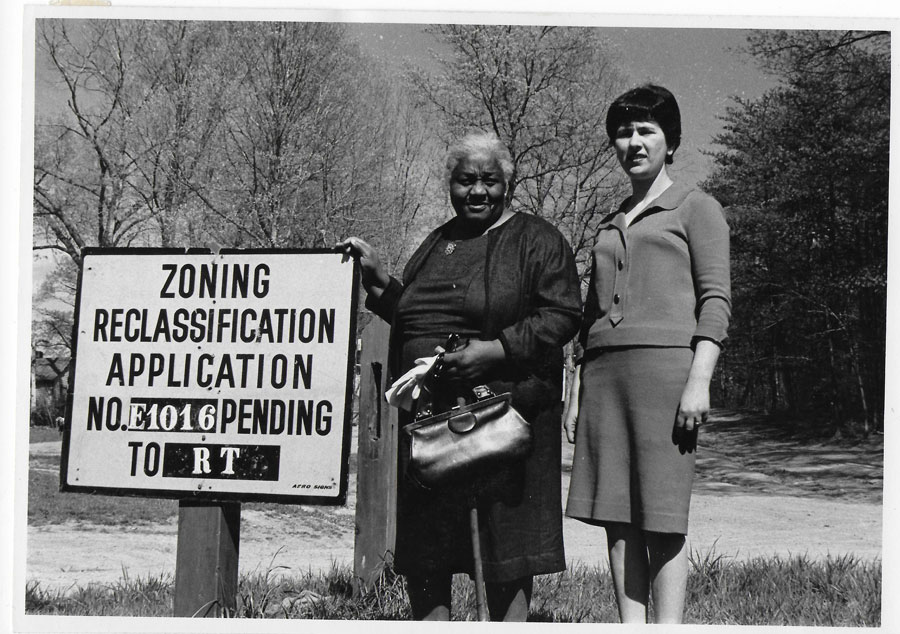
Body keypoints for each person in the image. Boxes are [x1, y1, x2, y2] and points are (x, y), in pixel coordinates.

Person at [337, 132, 581, 621]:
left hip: (505, 413)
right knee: (429, 545)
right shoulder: (437, 242)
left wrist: (496, 351)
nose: (477, 191)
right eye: (465, 180)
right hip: (434, 419)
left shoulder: (537, 239)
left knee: (504, 543)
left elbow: (562, 314)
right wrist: (381, 282)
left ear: (508, 184)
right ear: (450, 184)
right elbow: (418, 316)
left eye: (489, 180)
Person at [563, 85, 731, 623]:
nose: (632, 142)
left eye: (646, 131)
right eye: (623, 132)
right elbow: (590, 319)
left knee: (660, 514)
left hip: (665, 374)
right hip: (605, 377)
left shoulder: (697, 208)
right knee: (616, 514)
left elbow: (716, 301)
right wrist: (576, 392)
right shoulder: (609, 223)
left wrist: (699, 379)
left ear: (670, 141)